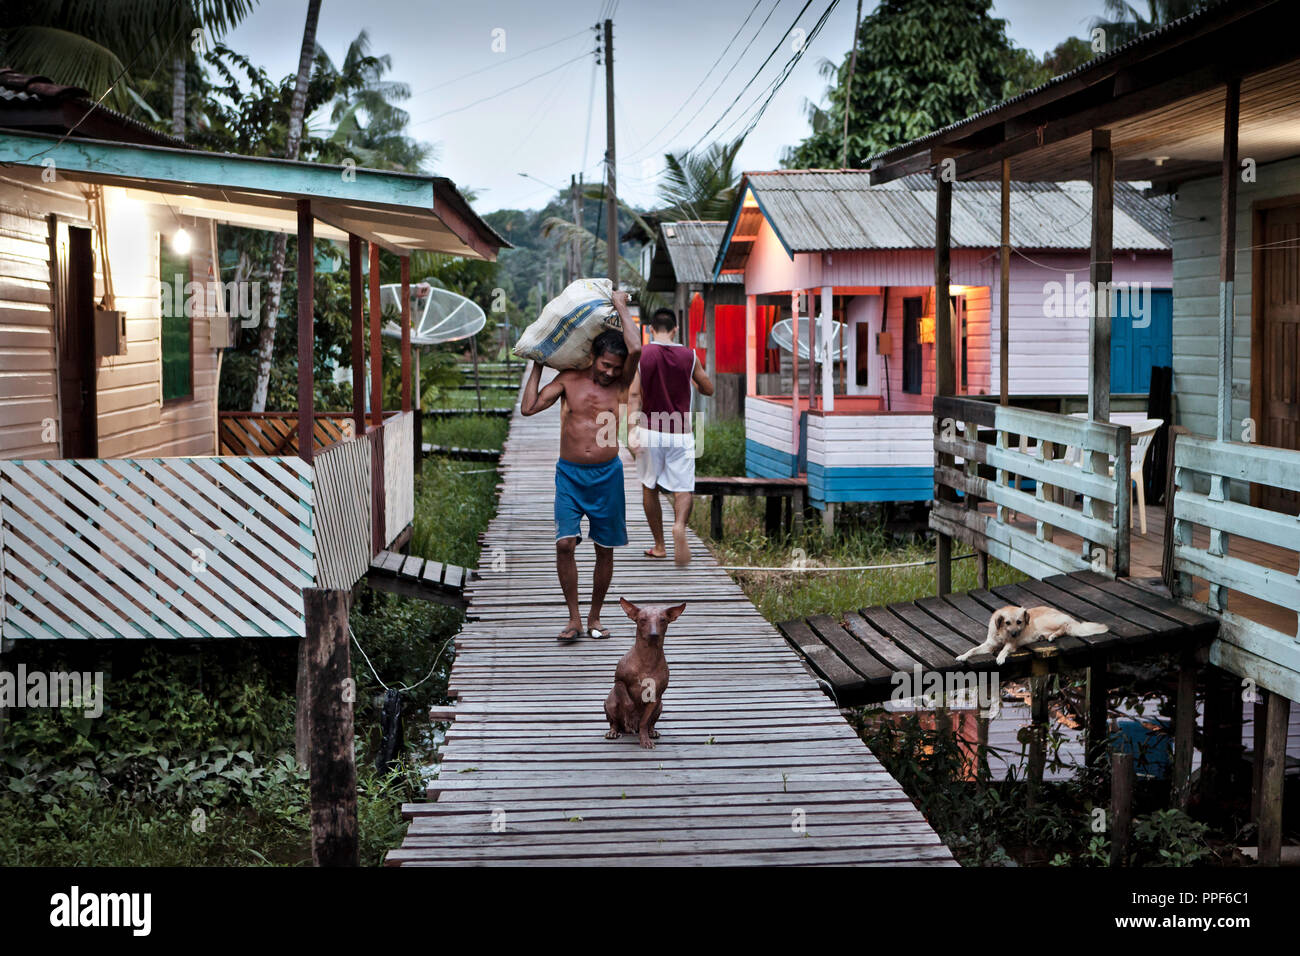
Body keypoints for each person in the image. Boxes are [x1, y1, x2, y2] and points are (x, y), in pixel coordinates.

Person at [520, 291, 641, 642]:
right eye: (605, 364)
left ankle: (594, 616)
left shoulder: (620, 384)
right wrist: (538, 362)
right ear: (593, 357)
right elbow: (528, 408)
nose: (609, 372)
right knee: (564, 545)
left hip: (607, 477)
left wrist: (620, 304)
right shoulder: (568, 380)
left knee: (605, 549)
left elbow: (635, 350)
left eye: (615, 368)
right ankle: (573, 619)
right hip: (570, 476)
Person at [628, 307, 713, 566]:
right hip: (681, 433)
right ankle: (679, 525)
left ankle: (660, 545)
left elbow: (633, 396)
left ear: (650, 329)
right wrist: (692, 379)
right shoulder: (690, 355)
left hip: (650, 430)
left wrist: (632, 429)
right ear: (675, 329)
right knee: (683, 488)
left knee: (649, 487)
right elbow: (708, 389)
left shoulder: (641, 355)